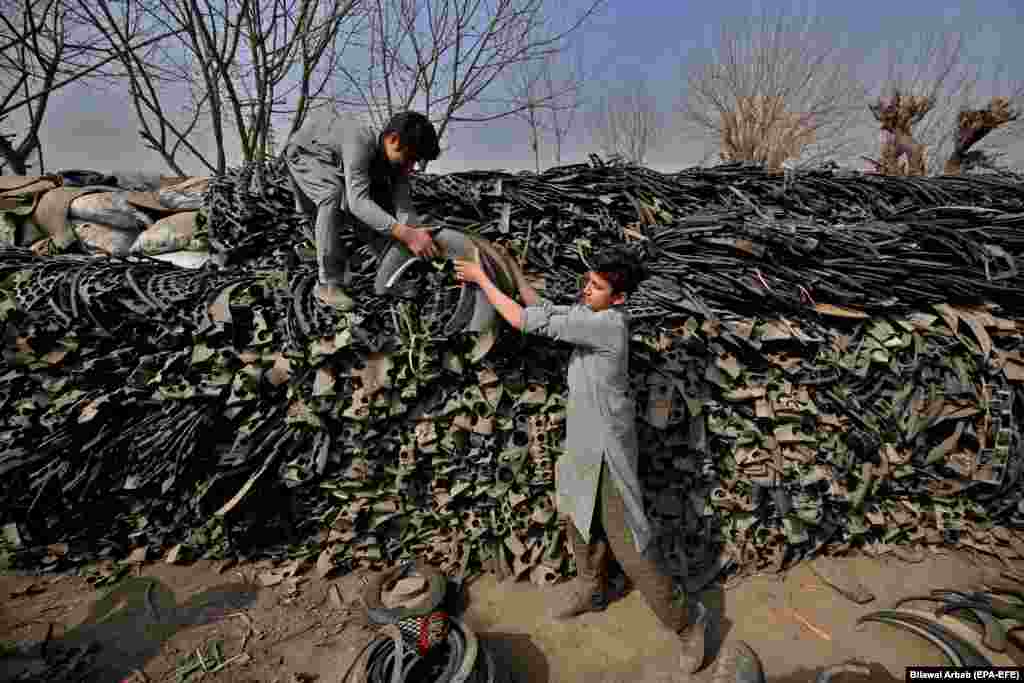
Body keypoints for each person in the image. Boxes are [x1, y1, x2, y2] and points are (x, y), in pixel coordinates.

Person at [453, 246, 709, 674]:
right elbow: (544, 309)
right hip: (583, 443)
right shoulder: (590, 317)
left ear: (618, 299)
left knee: (631, 547)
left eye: (597, 287)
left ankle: (687, 623)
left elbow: (521, 319)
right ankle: (592, 590)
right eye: (587, 283)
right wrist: (512, 269)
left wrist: (482, 280)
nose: (586, 291)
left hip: (607, 448)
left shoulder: (607, 327)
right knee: (578, 519)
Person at [285, 110, 442, 311]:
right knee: (331, 195)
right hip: (306, 152)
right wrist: (406, 234)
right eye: (410, 158)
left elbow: (404, 208)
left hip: (338, 161)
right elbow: (358, 203)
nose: (411, 167)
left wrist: (418, 236)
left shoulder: (397, 163)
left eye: (416, 161)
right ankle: (327, 284)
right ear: (393, 139)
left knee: (381, 206)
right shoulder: (361, 141)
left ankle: (389, 269)